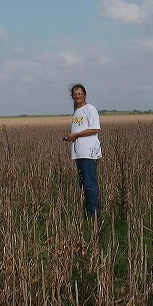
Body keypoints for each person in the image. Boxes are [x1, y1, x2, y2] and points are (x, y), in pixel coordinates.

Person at [64, 84, 102, 218]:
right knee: (83, 185)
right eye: (75, 94)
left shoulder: (90, 109)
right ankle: (88, 212)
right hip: (79, 153)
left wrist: (75, 135)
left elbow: (95, 129)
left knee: (89, 184)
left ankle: (93, 215)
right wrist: (71, 137)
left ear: (84, 95)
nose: (77, 96)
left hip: (89, 152)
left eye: (80, 93)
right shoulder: (77, 112)